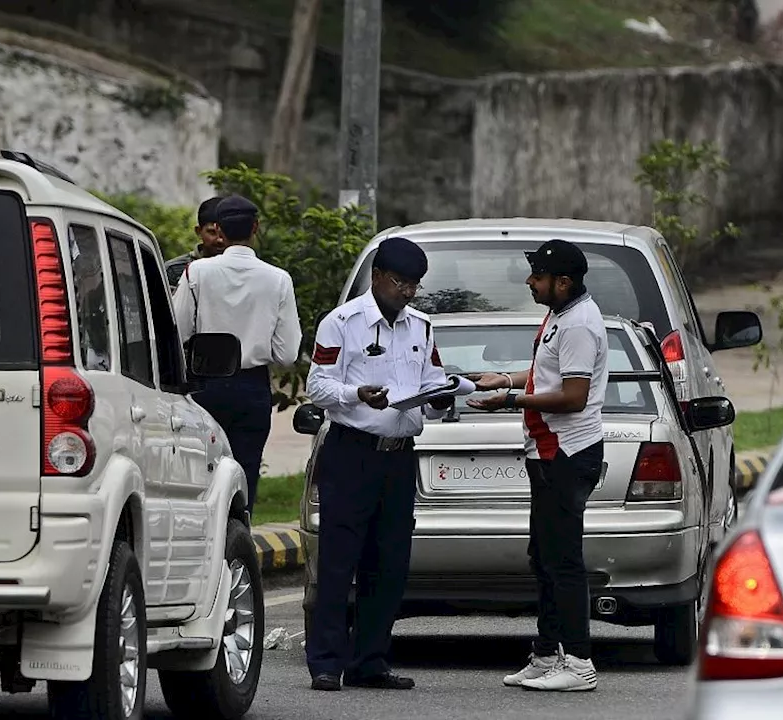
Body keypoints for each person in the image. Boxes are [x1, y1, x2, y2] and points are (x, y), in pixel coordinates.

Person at [304, 237, 454, 692]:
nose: (407, 292)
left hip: (398, 458)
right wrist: (356, 394)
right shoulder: (342, 323)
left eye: (414, 285)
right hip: (352, 453)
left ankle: (370, 660)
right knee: (337, 561)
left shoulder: (422, 327)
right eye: (399, 282)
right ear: (377, 277)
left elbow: (429, 382)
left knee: (389, 563)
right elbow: (317, 386)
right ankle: (327, 662)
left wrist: (441, 399)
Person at [467, 238, 608, 692]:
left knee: (563, 560)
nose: (530, 281)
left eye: (538, 276)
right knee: (543, 556)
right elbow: (549, 376)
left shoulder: (579, 325)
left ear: (562, 283)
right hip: (546, 452)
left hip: (566, 453)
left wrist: (509, 399)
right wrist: (506, 378)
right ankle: (548, 654)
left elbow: (573, 396)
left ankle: (580, 662)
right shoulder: (560, 316)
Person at [173, 194, 302, 517]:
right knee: (244, 481)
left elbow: (178, 332)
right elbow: (287, 353)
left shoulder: (197, 272)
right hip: (252, 388)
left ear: (220, 229)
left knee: (201, 478)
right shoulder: (278, 279)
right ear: (255, 228)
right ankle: (238, 548)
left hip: (205, 385)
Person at [165, 195, 227, 290]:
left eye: (225, 232)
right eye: (212, 232)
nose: (219, 239)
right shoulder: (173, 271)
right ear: (198, 231)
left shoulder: (244, 269)